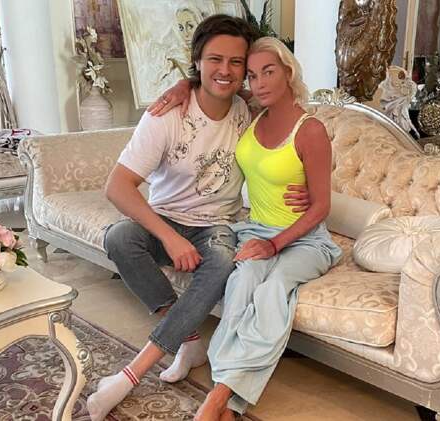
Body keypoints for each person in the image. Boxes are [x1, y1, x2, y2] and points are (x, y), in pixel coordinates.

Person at [86, 16, 308, 421]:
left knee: (222, 259)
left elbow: (291, 113)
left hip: (217, 226)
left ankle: (131, 374)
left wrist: (305, 185)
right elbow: (117, 187)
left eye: (236, 62)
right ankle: (189, 340)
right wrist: (170, 238)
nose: (225, 70)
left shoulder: (247, 109)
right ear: (197, 61)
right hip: (166, 218)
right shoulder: (165, 115)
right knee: (119, 237)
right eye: (214, 60)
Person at [194, 37, 343, 420]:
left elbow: (321, 206)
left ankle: (217, 396)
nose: (259, 83)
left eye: (269, 72)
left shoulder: (310, 130)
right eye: (253, 75)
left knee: (274, 290)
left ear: (288, 72)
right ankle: (230, 402)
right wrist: (181, 87)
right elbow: (208, 84)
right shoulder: (251, 112)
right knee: (241, 283)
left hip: (305, 240)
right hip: (255, 230)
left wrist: (274, 245)